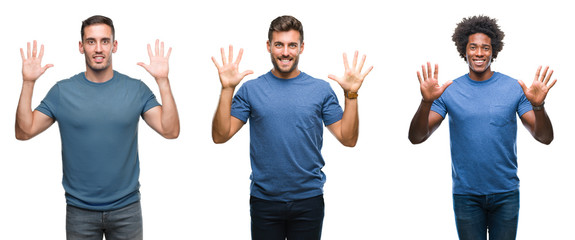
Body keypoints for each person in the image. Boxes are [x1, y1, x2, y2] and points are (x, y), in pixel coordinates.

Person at [15, 15, 179, 240]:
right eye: (91, 41)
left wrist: (163, 80)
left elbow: (170, 130)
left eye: (105, 41)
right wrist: (28, 83)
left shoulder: (136, 90)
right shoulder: (62, 92)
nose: (98, 48)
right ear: (81, 47)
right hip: (79, 211)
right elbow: (24, 132)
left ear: (114, 45)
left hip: (127, 210)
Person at [211, 15, 372, 240]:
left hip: (309, 201)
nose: (285, 52)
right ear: (269, 46)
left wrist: (351, 95)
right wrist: (227, 88)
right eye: (279, 44)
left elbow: (348, 139)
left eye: (291, 45)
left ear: (301, 47)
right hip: (264, 201)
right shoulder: (251, 90)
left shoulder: (321, 90)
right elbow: (220, 136)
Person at [408, 15, 556, 240]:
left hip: (506, 194)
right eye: (473, 47)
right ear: (463, 50)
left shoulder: (514, 88)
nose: (479, 53)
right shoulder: (449, 90)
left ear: (493, 51)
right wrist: (426, 102)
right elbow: (417, 137)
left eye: (485, 48)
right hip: (466, 196)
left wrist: (538, 106)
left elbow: (545, 137)